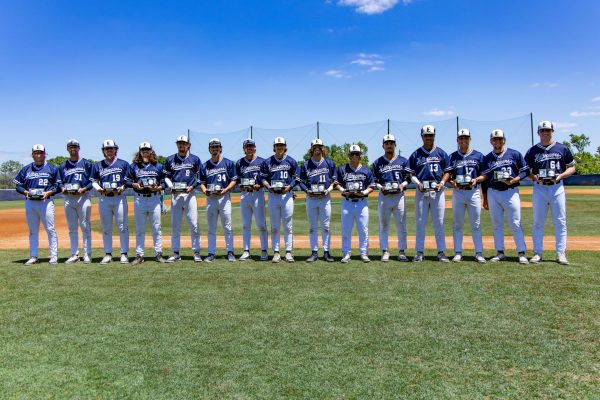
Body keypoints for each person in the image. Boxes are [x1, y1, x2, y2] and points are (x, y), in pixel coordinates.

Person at [473, 129, 529, 264]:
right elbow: (485, 179)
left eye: (499, 139)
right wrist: (485, 198)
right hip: (493, 193)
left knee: (515, 223)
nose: (497, 141)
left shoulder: (514, 154)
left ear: (504, 140)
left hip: (511, 191)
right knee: (497, 224)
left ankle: (521, 253)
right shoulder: (487, 158)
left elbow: (525, 171)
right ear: (491, 141)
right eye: (494, 139)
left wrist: (516, 179)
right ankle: (500, 252)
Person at [524, 121, 576, 265]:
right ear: (538, 133)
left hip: (557, 186)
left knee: (560, 221)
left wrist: (560, 176)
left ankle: (561, 253)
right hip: (539, 187)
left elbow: (572, 168)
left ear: (552, 131)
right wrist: (534, 177)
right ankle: (537, 252)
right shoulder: (532, 151)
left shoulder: (562, 148)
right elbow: (526, 170)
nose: (545, 133)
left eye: (548, 130)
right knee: (538, 222)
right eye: (542, 130)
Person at [406, 125, 451, 262]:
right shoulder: (416, 154)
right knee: (420, 222)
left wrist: (442, 183)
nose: (428, 138)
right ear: (422, 137)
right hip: (421, 191)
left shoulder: (441, 153)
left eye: (430, 135)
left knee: (439, 222)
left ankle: (441, 252)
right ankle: (419, 252)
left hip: (437, 191)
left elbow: (447, 172)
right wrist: (417, 183)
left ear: (434, 136)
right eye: (426, 135)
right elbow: (410, 173)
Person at [441, 129, 486, 263]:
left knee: (476, 224)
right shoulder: (452, 156)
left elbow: (485, 175)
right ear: (457, 140)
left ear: (470, 139)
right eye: (461, 138)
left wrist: (476, 180)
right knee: (458, 224)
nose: (464, 140)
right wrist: (452, 182)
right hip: (458, 192)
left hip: (473, 191)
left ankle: (479, 252)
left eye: (466, 138)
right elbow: (447, 174)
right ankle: (458, 252)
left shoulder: (478, 156)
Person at [14, 144, 61, 265]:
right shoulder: (26, 169)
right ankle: (33, 256)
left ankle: (53, 256)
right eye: (36, 153)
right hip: (30, 202)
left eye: (41, 153)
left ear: (45, 154)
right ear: (33, 155)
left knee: (50, 229)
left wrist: (50, 192)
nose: (39, 155)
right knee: (33, 231)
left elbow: (59, 186)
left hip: (46, 202)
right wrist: (25, 192)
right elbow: (18, 185)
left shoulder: (52, 168)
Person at [126, 142, 168, 265]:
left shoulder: (158, 166)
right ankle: (139, 255)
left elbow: (164, 182)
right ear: (140, 151)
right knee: (140, 229)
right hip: (140, 198)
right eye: (143, 150)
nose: (145, 151)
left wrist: (158, 188)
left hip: (154, 198)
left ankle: (158, 254)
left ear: (151, 151)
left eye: (147, 149)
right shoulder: (134, 166)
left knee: (157, 228)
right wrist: (134, 184)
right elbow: (127, 181)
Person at [163, 135, 204, 263]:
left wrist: (192, 186)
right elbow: (166, 176)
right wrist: (171, 187)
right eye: (179, 143)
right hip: (175, 195)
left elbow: (200, 176)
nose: (181, 145)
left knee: (194, 224)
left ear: (188, 145)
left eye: (184, 143)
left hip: (189, 194)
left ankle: (196, 252)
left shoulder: (195, 159)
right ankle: (175, 252)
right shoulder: (170, 159)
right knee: (175, 225)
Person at [91, 139, 130, 264]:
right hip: (104, 198)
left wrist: (122, 188)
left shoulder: (123, 164)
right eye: (106, 149)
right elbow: (94, 181)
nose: (109, 151)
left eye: (111, 148)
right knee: (106, 227)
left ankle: (124, 253)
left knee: (122, 227)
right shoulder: (98, 165)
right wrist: (100, 190)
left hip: (119, 198)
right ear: (103, 151)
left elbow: (127, 181)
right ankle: (108, 253)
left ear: (115, 150)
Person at [372, 134, 409, 262]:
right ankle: (385, 251)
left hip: (399, 196)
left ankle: (402, 251)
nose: (389, 145)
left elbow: (408, 178)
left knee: (401, 225)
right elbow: (374, 180)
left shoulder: (403, 161)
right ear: (383, 146)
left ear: (395, 145)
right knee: (384, 225)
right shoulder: (377, 162)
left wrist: (402, 185)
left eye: (391, 143)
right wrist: (380, 187)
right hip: (384, 196)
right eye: (387, 143)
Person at [199, 138, 237, 262]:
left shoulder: (228, 163)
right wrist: (205, 191)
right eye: (212, 147)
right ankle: (211, 253)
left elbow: (234, 180)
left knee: (227, 226)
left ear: (220, 148)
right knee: (211, 228)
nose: (215, 149)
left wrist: (226, 190)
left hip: (224, 198)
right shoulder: (205, 165)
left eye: (217, 147)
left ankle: (230, 251)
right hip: (211, 199)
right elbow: (202, 182)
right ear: (209, 149)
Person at [298, 138, 336, 262]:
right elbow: (301, 182)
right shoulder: (305, 164)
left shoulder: (330, 163)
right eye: (315, 146)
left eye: (319, 146)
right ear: (312, 149)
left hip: (325, 198)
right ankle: (314, 252)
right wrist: (307, 191)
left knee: (326, 226)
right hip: (311, 198)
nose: (317, 148)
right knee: (312, 227)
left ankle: (326, 252)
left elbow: (334, 181)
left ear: (323, 148)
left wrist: (329, 190)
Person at [334, 144, 374, 263]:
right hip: (347, 202)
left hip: (362, 202)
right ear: (349, 156)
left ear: (360, 156)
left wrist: (364, 192)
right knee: (346, 229)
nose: (355, 156)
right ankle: (346, 253)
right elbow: (337, 183)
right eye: (353, 154)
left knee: (363, 229)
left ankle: (363, 253)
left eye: (357, 154)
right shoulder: (342, 169)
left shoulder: (366, 170)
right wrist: (343, 191)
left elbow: (372, 185)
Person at [260, 137, 298, 263]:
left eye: (282, 145)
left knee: (288, 226)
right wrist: (268, 186)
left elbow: (296, 178)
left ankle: (288, 252)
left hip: (286, 196)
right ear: (274, 147)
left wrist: (290, 186)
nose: (280, 147)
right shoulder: (268, 162)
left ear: (285, 146)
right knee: (275, 226)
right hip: (273, 195)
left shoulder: (291, 161)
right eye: (277, 145)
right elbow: (262, 178)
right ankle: (276, 252)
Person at [59, 139, 94, 264]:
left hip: (83, 197)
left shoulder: (87, 164)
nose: (73, 149)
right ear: (67, 149)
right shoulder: (63, 166)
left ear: (79, 148)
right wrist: (62, 188)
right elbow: (59, 182)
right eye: (70, 147)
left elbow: (92, 182)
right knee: (72, 228)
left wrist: (84, 188)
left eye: (75, 147)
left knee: (85, 227)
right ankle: (74, 254)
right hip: (68, 198)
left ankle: (87, 254)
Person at [235, 138, 269, 261]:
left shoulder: (262, 161)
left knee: (261, 224)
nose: (249, 148)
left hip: (257, 193)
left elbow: (266, 178)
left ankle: (264, 250)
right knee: (245, 225)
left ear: (255, 147)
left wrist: (260, 185)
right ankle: (246, 250)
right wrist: (240, 185)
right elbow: (237, 179)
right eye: (247, 146)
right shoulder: (239, 163)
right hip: (245, 194)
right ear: (244, 149)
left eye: (251, 146)